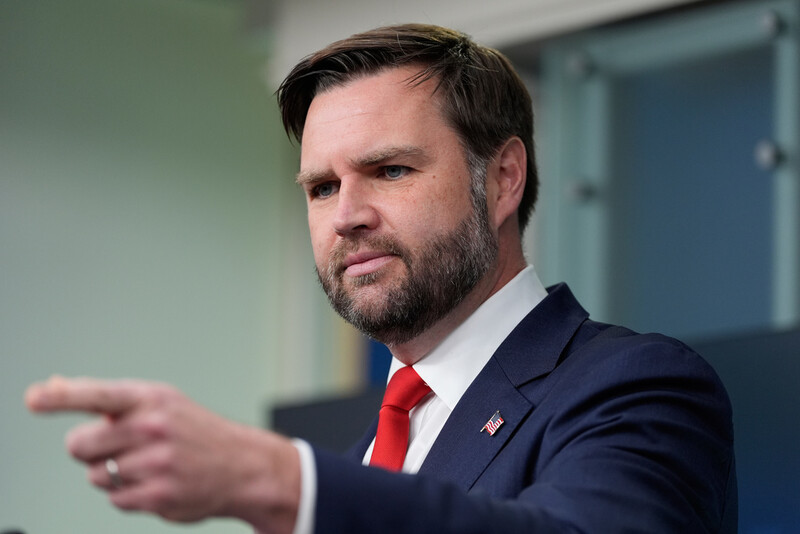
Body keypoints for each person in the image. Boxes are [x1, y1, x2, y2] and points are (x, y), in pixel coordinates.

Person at [26, 23, 737, 533]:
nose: (347, 217)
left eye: (390, 170)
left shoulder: (636, 385)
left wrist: (272, 480)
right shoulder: (359, 458)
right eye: (321, 188)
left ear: (504, 179)